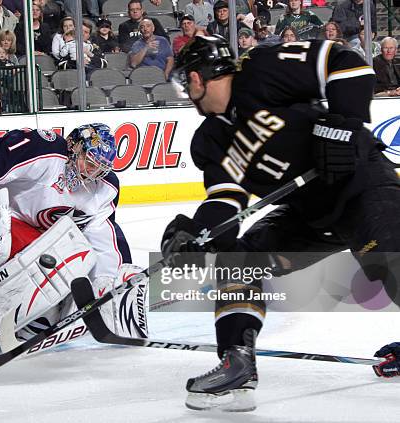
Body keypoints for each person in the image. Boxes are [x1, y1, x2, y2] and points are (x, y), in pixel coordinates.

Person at [164, 35, 400, 411]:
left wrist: (341, 124)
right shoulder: (210, 138)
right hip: (308, 212)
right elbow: (227, 199)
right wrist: (199, 234)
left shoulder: (262, 69)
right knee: (238, 260)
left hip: (362, 186)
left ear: (196, 78)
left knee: (390, 262)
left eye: (182, 84)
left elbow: (347, 61)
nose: (185, 95)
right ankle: (237, 362)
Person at [0, 124, 148, 354]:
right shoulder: (46, 150)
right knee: (50, 258)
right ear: (74, 147)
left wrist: (111, 281)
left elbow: (103, 236)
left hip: (38, 248)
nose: (91, 173)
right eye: (90, 162)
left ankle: (21, 315)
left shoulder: (105, 188)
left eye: (100, 168)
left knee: (78, 261)